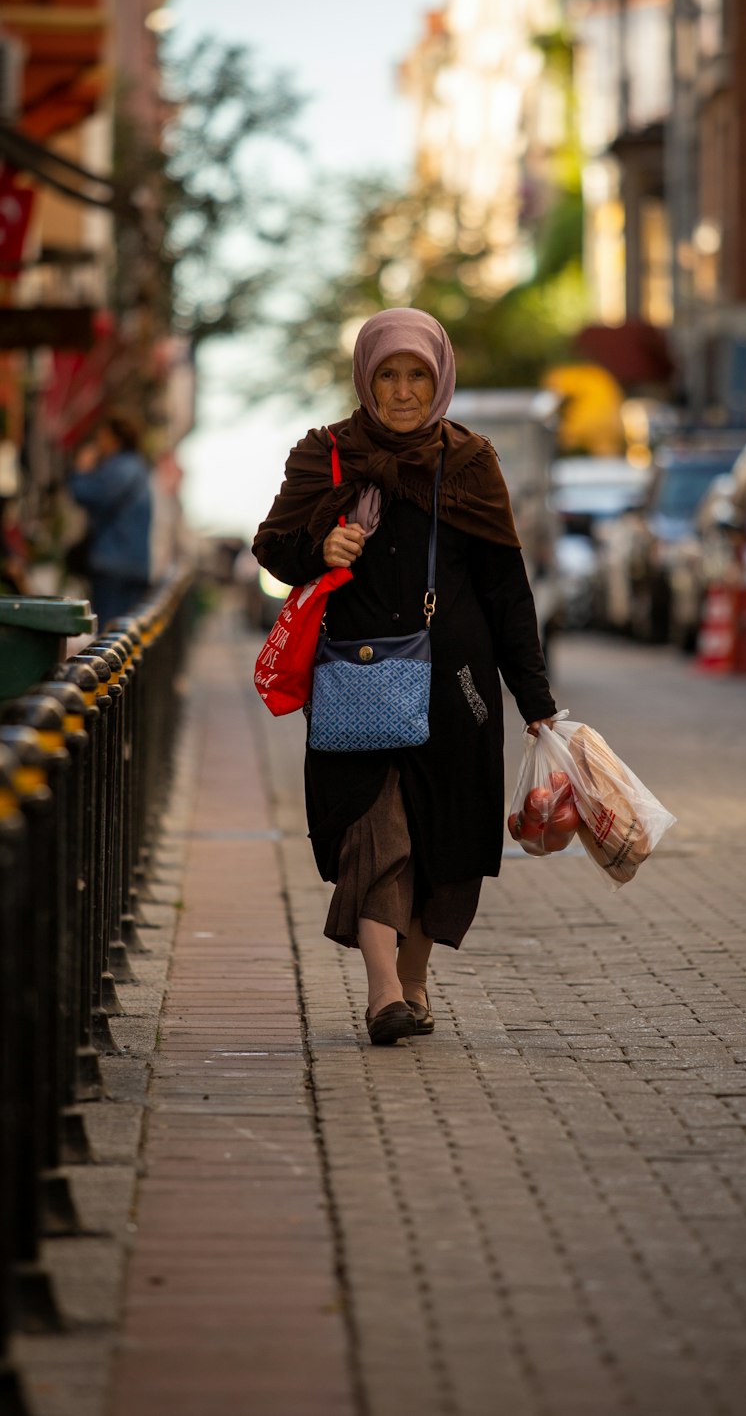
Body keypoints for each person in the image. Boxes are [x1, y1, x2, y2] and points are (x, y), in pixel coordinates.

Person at [253, 307, 556, 1046]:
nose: (402, 390)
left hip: (459, 690)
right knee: (372, 832)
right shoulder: (322, 455)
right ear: (365, 377)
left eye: (417, 374)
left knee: (444, 843)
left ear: (439, 377)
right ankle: (383, 991)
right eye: (387, 374)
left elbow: (507, 591)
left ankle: (414, 978)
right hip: (355, 680)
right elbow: (273, 547)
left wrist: (536, 700)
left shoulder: (472, 464)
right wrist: (321, 546)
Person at [67, 415, 152, 628]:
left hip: (114, 564)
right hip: (133, 564)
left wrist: (81, 469)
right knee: (124, 637)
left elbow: (89, 494)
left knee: (109, 633)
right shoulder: (137, 467)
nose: (98, 444)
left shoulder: (121, 468)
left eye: (102, 437)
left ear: (114, 438)